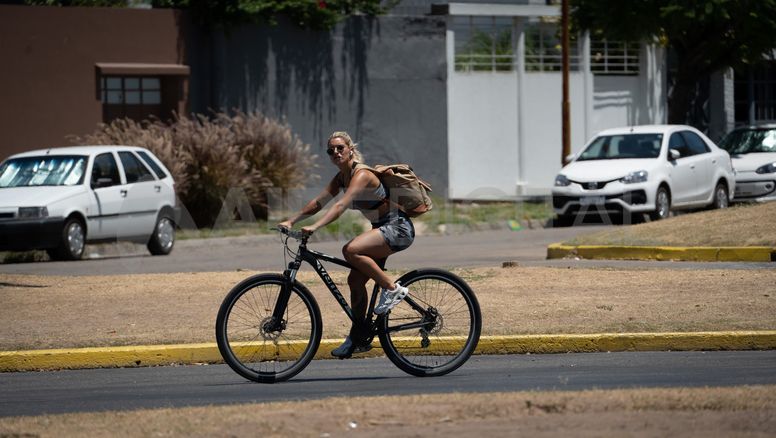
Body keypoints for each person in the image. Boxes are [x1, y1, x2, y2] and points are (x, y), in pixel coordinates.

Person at [278, 131, 415, 359]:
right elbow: (318, 202)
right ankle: (358, 335)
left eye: (340, 148)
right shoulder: (341, 177)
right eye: (331, 151)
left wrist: (316, 227)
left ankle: (393, 289)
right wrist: (291, 220)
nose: (336, 153)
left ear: (350, 149)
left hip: (397, 227)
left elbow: (341, 205)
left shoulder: (360, 174)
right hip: (380, 228)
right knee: (354, 280)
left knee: (350, 250)